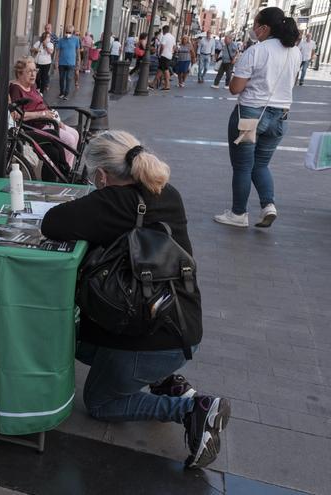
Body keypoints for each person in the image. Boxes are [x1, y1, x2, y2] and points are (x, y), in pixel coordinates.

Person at [42, 130, 230, 470]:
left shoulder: (112, 201)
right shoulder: (166, 192)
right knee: (76, 339)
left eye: (91, 175)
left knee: (100, 403)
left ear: (101, 175)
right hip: (180, 324)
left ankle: (192, 410)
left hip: (153, 334)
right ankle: (163, 380)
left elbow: (52, 223)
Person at [214, 7, 300, 228]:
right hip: (280, 115)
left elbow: (235, 88)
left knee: (243, 166)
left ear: (264, 28)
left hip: (251, 114)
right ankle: (268, 205)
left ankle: (238, 214)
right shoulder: (295, 52)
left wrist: (237, 71)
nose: (253, 29)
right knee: (261, 164)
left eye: (255, 25)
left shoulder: (257, 51)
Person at [8, 57, 80, 170]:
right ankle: (63, 169)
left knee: (75, 134)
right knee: (69, 139)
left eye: (35, 70)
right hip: (34, 126)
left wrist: (56, 119)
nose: (33, 74)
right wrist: (42, 115)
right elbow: (17, 116)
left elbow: (43, 105)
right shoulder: (16, 89)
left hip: (48, 122)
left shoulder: (32, 87)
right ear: (20, 73)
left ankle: (67, 169)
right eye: (29, 71)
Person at [56, 24, 80, 100]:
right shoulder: (61, 40)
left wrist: (78, 61)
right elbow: (58, 51)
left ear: (72, 32)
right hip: (62, 63)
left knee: (68, 78)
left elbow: (77, 51)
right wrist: (56, 61)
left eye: (70, 32)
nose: (68, 33)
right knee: (61, 78)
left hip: (71, 63)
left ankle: (66, 94)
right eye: (67, 32)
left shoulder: (76, 39)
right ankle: (61, 92)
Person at [157, 26, 176, 90]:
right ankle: (153, 83)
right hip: (169, 55)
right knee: (160, 69)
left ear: (164, 30)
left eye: (163, 30)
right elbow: (174, 47)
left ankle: (167, 85)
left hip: (164, 55)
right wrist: (171, 52)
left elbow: (162, 46)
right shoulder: (172, 37)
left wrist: (160, 53)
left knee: (165, 70)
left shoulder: (165, 36)